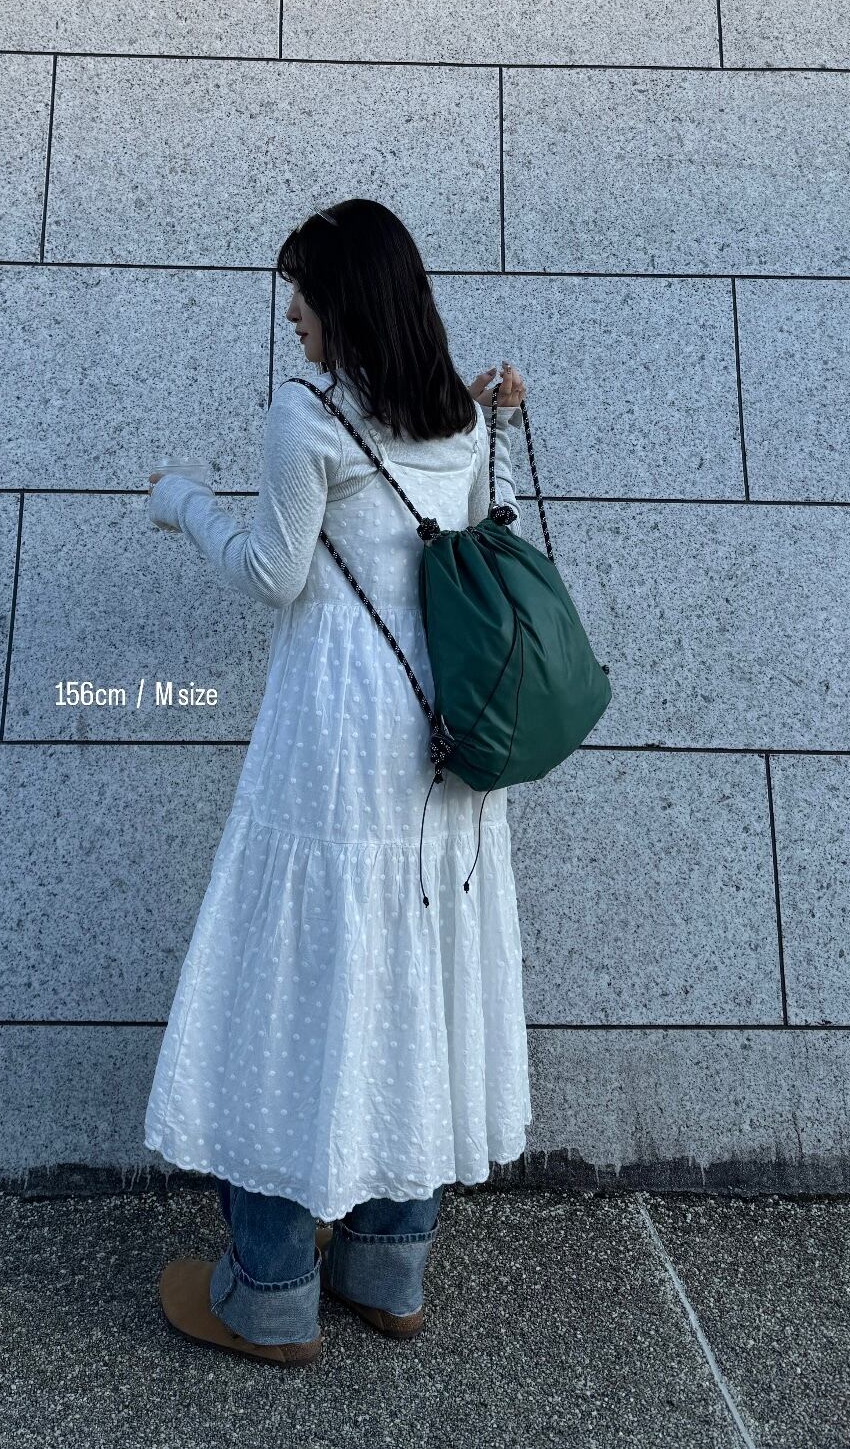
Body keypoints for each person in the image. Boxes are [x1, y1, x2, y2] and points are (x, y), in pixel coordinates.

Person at [143, 198, 532, 1368]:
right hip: (449, 738)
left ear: (346, 301)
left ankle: (268, 1289)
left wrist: (183, 503)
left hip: (339, 737)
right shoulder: (459, 410)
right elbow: (475, 531)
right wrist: (501, 420)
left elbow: (274, 575)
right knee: (416, 978)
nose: (293, 318)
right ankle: (387, 1267)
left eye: (302, 296)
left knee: (291, 985)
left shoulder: (306, 415)